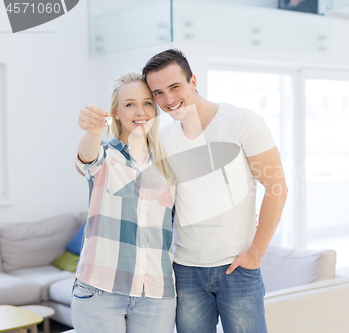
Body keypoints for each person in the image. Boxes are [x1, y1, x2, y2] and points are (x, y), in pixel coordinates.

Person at [142, 49, 288, 333]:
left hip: (237, 268)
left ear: (193, 80)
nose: (168, 100)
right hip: (185, 271)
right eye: (158, 93)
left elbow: (277, 187)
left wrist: (256, 253)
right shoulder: (162, 138)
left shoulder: (241, 122)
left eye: (175, 87)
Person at [72, 73, 176, 333]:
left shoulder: (168, 167)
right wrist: (92, 131)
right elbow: (87, 157)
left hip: (156, 293)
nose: (140, 111)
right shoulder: (105, 156)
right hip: (100, 291)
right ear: (116, 112)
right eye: (130, 104)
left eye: (147, 103)